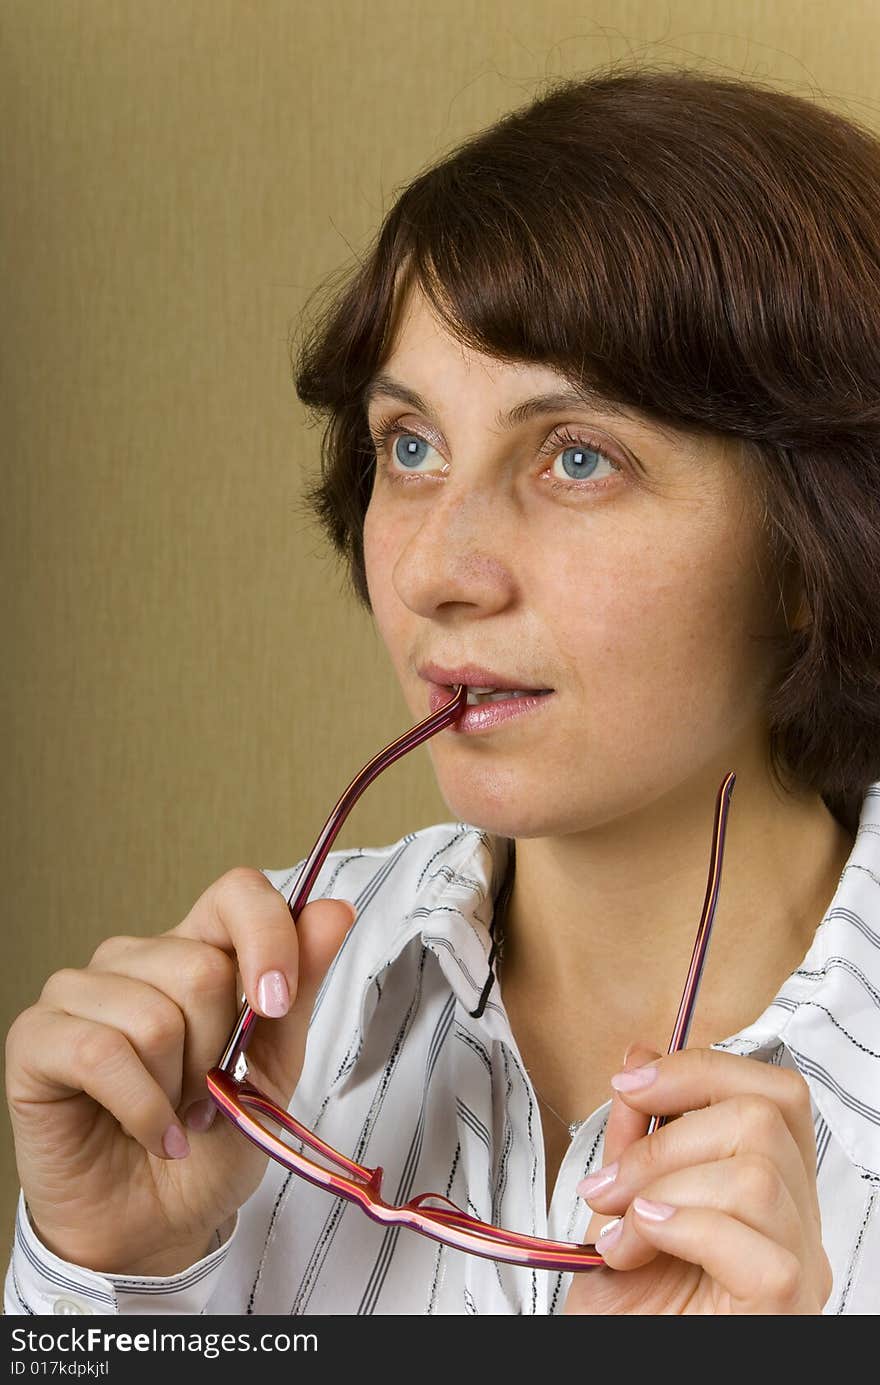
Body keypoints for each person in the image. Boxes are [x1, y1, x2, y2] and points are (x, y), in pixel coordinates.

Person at [5, 64, 880, 1317]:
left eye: (577, 457)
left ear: (821, 541)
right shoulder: (242, 1045)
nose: (434, 570)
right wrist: (106, 1280)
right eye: (409, 448)